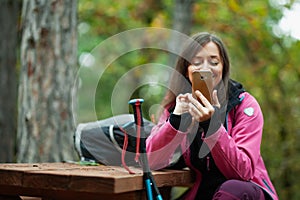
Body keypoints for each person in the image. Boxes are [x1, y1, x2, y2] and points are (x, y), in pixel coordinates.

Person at [146, 32, 278, 200]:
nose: (206, 68)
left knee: (232, 189)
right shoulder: (177, 106)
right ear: (186, 70)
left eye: (214, 62)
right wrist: (176, 121)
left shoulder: (244, 105)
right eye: (197, 62)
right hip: (207, 191)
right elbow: (151, 161)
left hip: (247, 192)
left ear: (223, 68)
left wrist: (212, 125)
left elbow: (242, 172)